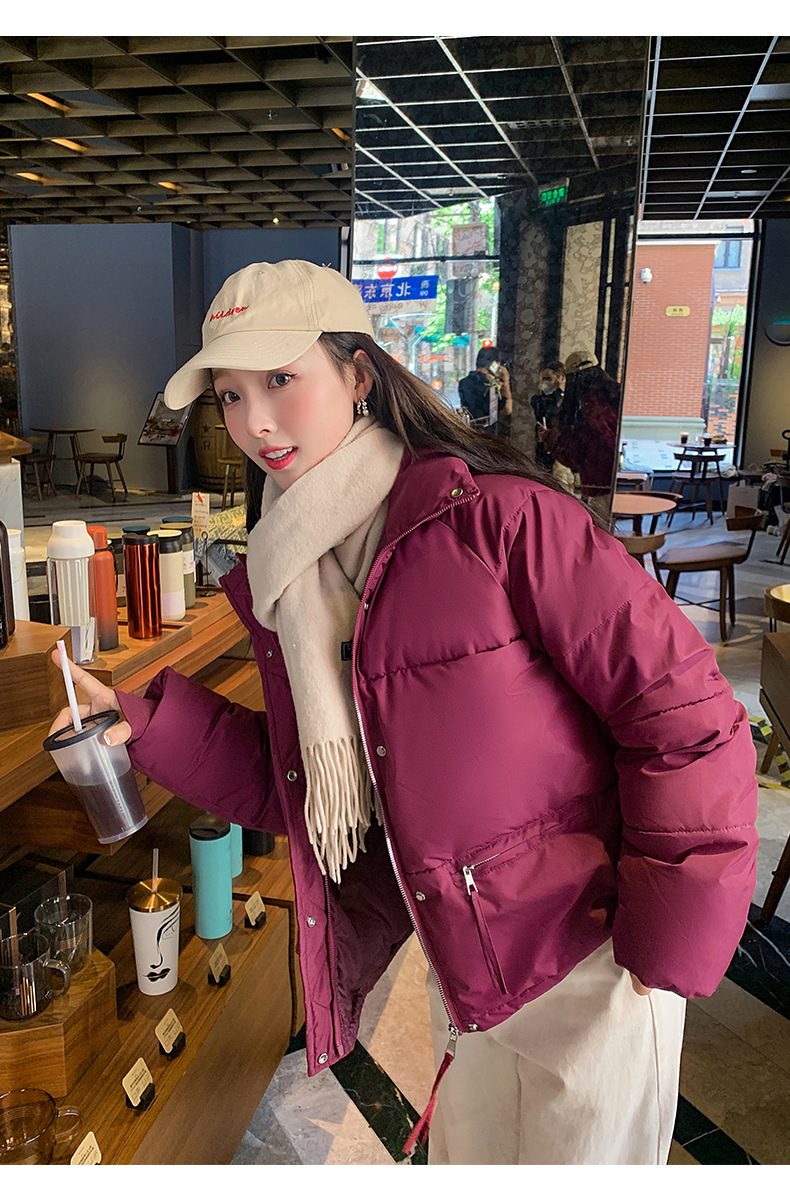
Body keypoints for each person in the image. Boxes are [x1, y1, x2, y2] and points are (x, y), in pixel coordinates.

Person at [52, 261, 758, 1166]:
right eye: (229, 395)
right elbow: (306, 783)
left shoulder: (500, 522)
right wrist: (150, 724)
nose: (254, 422)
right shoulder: (293, 573)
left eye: (280, 379)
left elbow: (685, 717)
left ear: (359, 375)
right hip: (464, 973)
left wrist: (664, 945)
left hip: (593, 968)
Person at [544, 349, 620, 509]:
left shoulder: (585, 408)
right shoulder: (614, 394)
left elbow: (574, 455)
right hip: (619, 481)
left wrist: (550, 438)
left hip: (598, 486)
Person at [457, 346, 512, 436]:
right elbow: (507, 410)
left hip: (469, 431)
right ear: (494, 364)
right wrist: (506, 381)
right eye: (498, 364)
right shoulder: (490, 385)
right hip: (488, 434)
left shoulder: (463, 382)